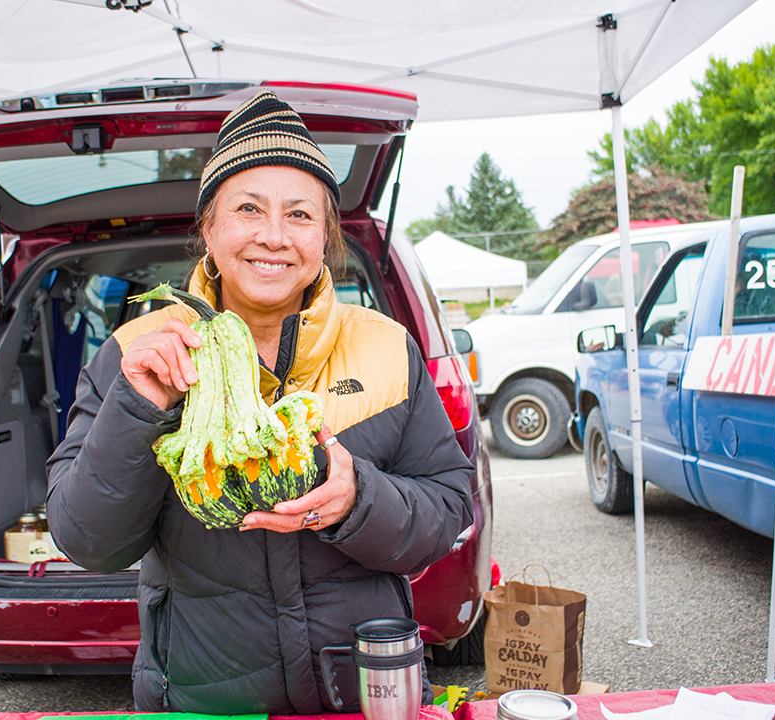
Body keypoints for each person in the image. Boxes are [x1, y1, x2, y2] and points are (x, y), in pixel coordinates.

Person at [46, 90, 475, 714]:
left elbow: (448, 508)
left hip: (358, 691)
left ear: (325, 237)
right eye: (248, 209)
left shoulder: (386, 348)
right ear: (209, 230)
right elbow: (89, 540)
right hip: (204, 695)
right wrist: (140, 409)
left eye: (300, 215)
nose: (274, 237)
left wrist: (360, 501)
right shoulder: (134, 353)